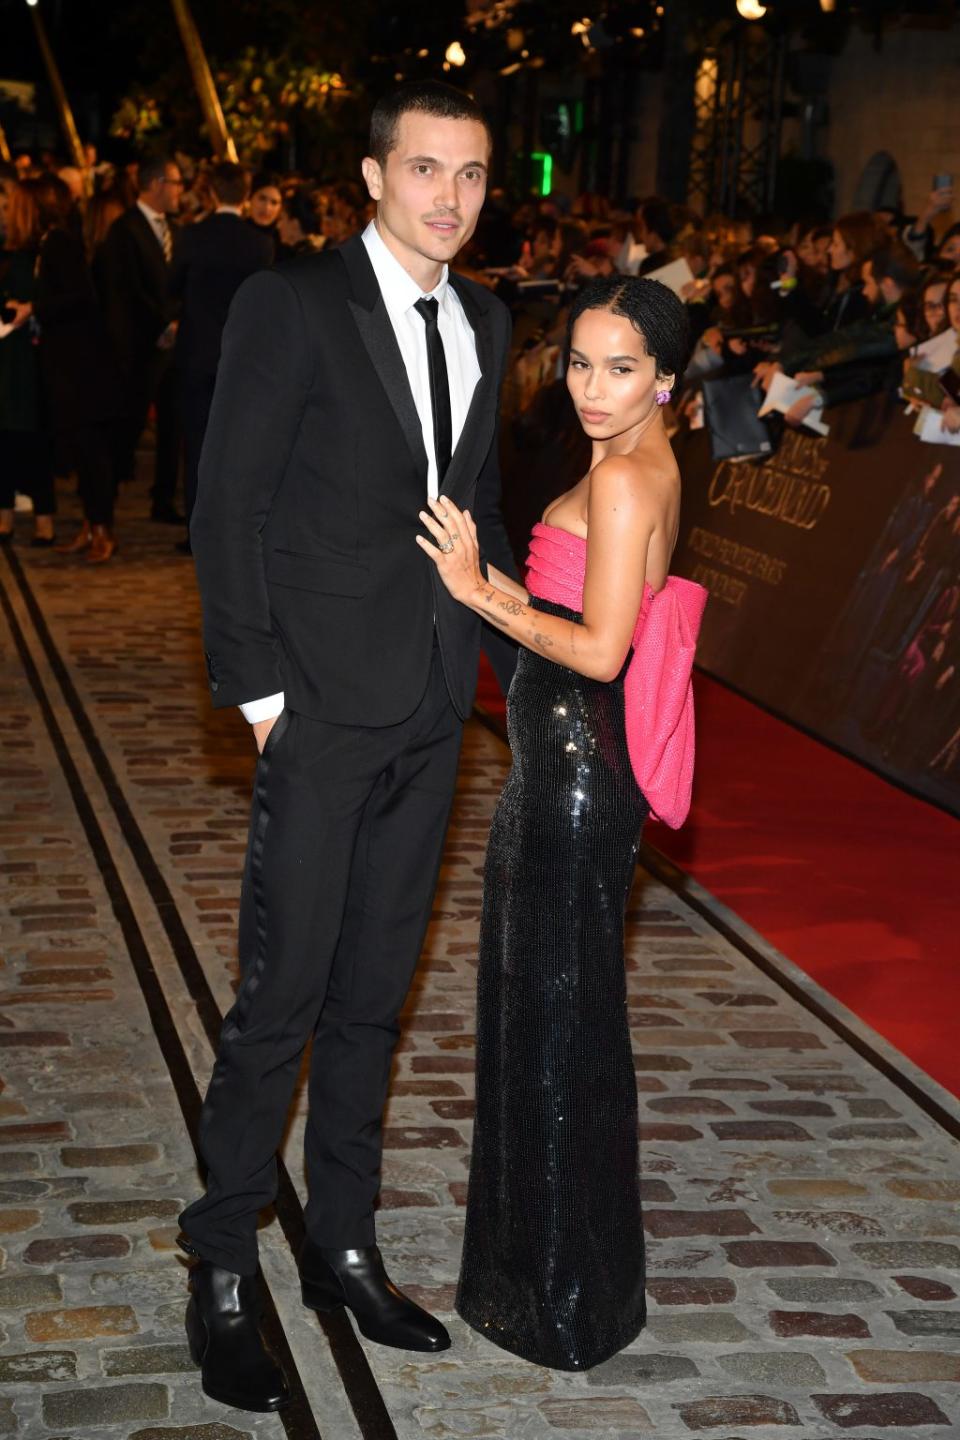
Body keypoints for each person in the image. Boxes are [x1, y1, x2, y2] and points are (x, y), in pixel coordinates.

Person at [180, 80, 518, 1412]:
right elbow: (226, 507)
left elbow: (471, 503)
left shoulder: (486, 317)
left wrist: (486, 647)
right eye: (426, 170)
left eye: (474, 175)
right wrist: (262, 698)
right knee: (282, 1004)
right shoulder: (295, 303)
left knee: (375, 1000)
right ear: (374, 178)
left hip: (433, 708)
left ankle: (347, 1246)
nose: (450, 197)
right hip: (317, 711)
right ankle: (218, 1266)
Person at [418, 276, 691, 1370]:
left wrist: (475, 587)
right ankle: (568, 1287)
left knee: (553, 1028)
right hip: (567, 765)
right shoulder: (630, 460)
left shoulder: (626, 480)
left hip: (574, 774)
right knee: (560, 1025)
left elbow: (601, 650)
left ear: (665, 379)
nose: (590, 386)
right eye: (578, 361)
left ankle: (558, 1299)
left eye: (620, 368)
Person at [11, 176, 123, 562]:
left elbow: (82, 297)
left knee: (92, 455)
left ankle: (103, 531)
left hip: (82, 369)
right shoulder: (47, 244)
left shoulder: (60, 243)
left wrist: (35, 309)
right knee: (79, 453)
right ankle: (90, 526)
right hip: (68, 367)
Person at [169, 161, 274, 548]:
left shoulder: (192, 236)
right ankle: (234, 530)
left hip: (198, 353)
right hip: (244, 359)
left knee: (197, 445)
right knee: (239, 448)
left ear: (211, 192)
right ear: (246, 195)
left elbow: (173, 284)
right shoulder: (260, 243)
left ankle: (197, 532)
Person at [99, 154, 184, 521]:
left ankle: (162, 499)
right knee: (129, 423)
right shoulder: (124, 230)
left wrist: (179, 321)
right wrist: (162, 323)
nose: (182, 191)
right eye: (176, 182)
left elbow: (181, 282)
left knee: (173, 426)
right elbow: (126, 289)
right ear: (156, 184)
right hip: (139, 347)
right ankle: (105, 498)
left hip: (175, 347)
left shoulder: (177, 230)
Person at [0, 178, 56, 545]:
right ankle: (3, 514)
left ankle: (44, 516)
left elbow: (64, 298)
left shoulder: (41, 251)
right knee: (2, 437)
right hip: (4, 353)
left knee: (32, 437)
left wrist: (32, 308)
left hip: (30, 357)